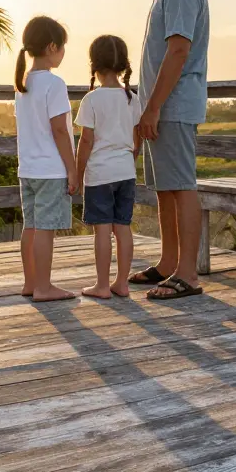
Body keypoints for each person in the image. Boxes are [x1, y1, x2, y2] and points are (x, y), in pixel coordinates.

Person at [125, 0, 211, 300]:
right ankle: (168, 263)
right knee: (164, 188)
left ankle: (188, 275)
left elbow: (178, 51)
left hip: (172, 105)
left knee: (181, 186)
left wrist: (153, 107)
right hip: (161, 105)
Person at [14, 15, 79, 302]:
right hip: (50, 170)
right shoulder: (55, 84)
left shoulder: (23, 83)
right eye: (63, 47)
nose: (64, 53)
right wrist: (73, 169)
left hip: (27, 169)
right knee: (46, 230)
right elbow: (60, 131)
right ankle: (44, 287)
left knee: (31, 225)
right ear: (52, 47)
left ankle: (31, 283)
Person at [74, 35, 143, 299]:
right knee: (122, 227)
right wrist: (128, 161)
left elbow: (86, 142)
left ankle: (102, 285)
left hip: (100, 175)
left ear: (94, 65)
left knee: (102, 230)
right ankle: (121, 283)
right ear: (123, 65)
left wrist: (78, 176)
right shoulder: (131, 99)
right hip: (126, 173)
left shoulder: (92, 100)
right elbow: (137, 140)